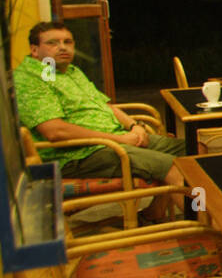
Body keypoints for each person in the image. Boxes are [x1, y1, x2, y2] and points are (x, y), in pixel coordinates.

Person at [15, 21, 185, 220]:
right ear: (34, 50)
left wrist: (134, 126)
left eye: (67, 42)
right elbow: (55, 131)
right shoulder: (30, 79)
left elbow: (105, 106)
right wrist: (119, 140)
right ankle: (203, 219)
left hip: (114, 141)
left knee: (195, 150)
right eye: (53, 43)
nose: (62, 47)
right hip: (79, 153)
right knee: (172, 166)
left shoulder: (70, 72)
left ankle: (157, 210)